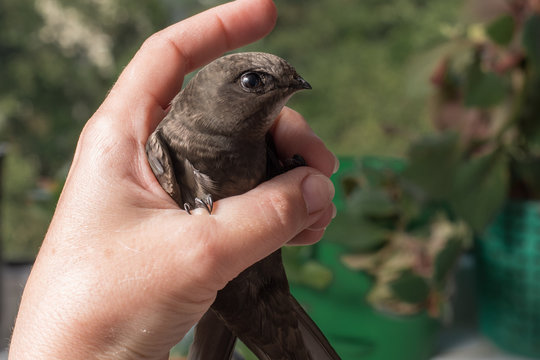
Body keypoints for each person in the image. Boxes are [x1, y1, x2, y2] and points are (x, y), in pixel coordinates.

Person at [8, 0, 338, 358]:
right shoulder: (165, 142)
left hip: (260, 280)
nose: (280, 92)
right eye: (252, 82)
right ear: (213, 91)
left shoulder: (258, 141)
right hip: (224, 289)